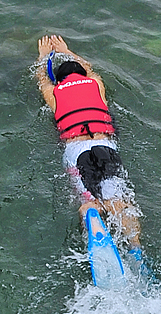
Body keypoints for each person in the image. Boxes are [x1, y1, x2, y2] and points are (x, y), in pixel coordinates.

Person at [33, 33, 141, 249]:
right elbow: (89, 67)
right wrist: (66, 51)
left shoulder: (54, 93)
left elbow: (41, 78)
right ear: (82, 76)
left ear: (60, 81)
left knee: (88, 203)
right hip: (105, 146)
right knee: (118, 202)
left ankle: (93, 222)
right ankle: (136, 248)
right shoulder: (95, 84)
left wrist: (43, 57)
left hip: (76, 149)